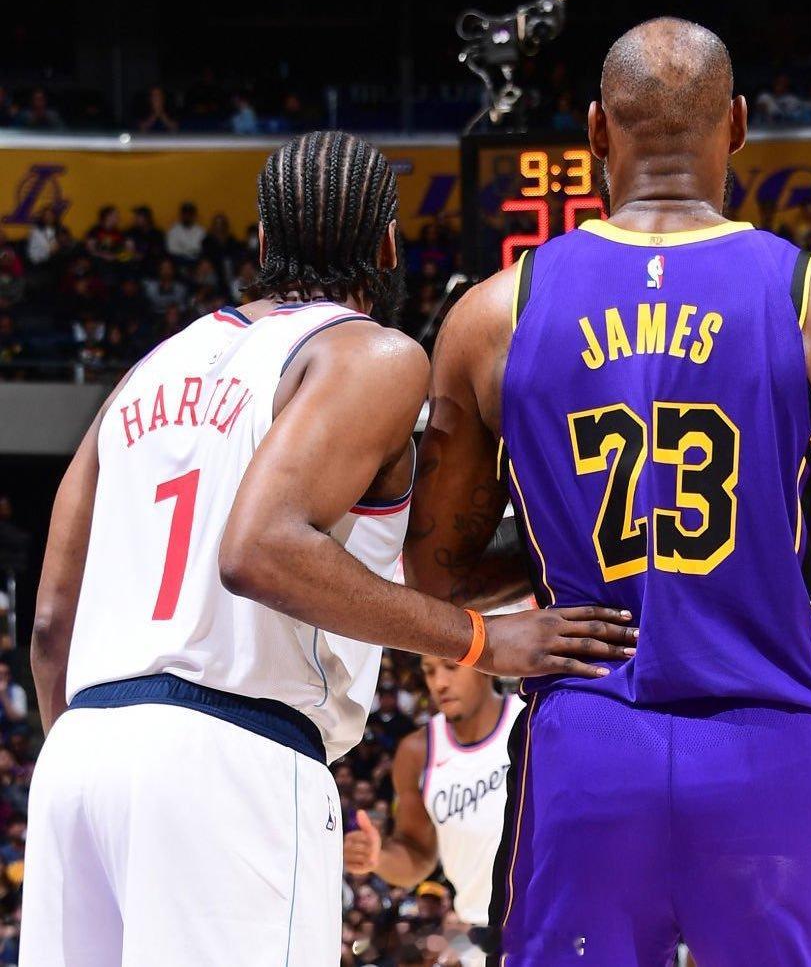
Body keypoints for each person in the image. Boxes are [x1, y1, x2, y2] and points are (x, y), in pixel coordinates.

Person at [21, 130, 631, 967]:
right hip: (228, 754)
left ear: (261, 243)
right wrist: (483, 639)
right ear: (388, 247)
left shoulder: (144, 372)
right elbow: (260, 549)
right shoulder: (369, 352)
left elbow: (50, 623)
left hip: (77, 756)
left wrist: (100, 771)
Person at [405, 18, 811, 966]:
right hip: (773, 742)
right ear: (737, 125)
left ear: (594, 132)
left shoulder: (491, 317)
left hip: (583, 749)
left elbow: (437, 573)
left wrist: (564, 557)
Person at [345, 657, 527, 966]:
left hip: (546, 919)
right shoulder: (417, 751)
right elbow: (418, 857)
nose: (439, 683)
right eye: (429, 671)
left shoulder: (528, 721)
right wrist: (378, 859)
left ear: (485, 666)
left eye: (451, 667)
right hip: (479, 929)